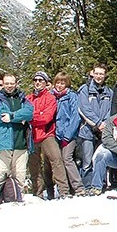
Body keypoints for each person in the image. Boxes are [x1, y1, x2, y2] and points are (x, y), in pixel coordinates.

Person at [26, 71, 70, 200]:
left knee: (56, 160)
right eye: (36, 80)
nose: (38, 82)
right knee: (34, 165)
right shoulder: (28, 99)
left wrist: (32, 117)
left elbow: (47, 117)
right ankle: (37, 194)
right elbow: (24, 114)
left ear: (46, 83)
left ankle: (64, 192)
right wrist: (37, 115)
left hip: (47, 134)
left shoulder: (50, 98)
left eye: (41, 80)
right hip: (32, 136)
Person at [0, 74, 34, 203]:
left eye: (12, 83)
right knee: (0, 172)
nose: (9, 86)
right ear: (3, 84)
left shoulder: (22, 98)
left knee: (20, 174)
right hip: (3, 142)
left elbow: (30, 112)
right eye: (7, 83)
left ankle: (19, 197)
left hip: (21, 142)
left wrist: (13, 116)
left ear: (16, 84)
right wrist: (20, 118)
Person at [77, 63, 113, 188]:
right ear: (92, 74)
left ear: (105, 75)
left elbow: (110, 110)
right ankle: (86, 186)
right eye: (96, 73)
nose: (98, 76)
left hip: (103, 130)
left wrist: (104, 124)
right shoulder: (84, 90)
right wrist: (97, 123)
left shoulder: (109, 92)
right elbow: (83, 109)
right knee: (87, 161)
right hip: (87, 129)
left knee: (99, 158)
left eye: (101, 74)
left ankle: (100, 185)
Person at [51, 72, 86, 196]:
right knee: (57, 161)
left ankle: (78, 187)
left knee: (67, 158)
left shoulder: (71, 96)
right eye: (58, 83)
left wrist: (68, 135)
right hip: (55, 134)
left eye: (62, 83)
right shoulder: (52, 96)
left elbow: (75, 116)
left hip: (69, 134)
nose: (60, 85)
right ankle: (64, 189)